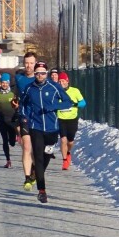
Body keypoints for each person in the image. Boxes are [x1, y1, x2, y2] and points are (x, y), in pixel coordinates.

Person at [18, 62, 74, 203]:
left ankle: (36, 173)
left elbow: (68, 102)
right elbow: (22, 105)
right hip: (35, 127)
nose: (40, 75)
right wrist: (24, 117)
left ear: (47, 74)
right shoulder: (29, 88)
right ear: (35, 74)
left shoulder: (54, 87)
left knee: (47, 155)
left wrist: (53, 106)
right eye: (37, 73)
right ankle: (42, 191)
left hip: (52, 128)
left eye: (43, 73)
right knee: (38, 157)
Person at [14, 52, 39, 189]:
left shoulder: (40, 78)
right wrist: (15, 102)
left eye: (31, 63)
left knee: (37, 150)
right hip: (24, 116)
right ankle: (27, 178)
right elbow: (16, 95)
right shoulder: (19, 78)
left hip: (39, 118)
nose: (29, 66)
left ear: (35, 63)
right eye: (26, 63)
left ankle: (35, 168)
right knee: (27, 147)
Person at [56, 71, 85, 170]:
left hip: (72, 119)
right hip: (61, 118)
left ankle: (68, 153)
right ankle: (64, 160)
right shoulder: (56, 91)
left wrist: (75, 104)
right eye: (59, 81)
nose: (61, 83)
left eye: (63, 81)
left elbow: (83, 103)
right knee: (63, 139)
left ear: (67, 81)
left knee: (70, 141)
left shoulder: (75, 91)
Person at [0, 73, 19, 168]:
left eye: (6, 83)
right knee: (4, 141)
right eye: (3, 83)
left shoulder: (13, 93)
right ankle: (8, 160)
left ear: (9, 83)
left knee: (12, 142)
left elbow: (17, 104)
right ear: (1, 83)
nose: (4, 85)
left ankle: (13, 138)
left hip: (12, 121)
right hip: (2, 120)